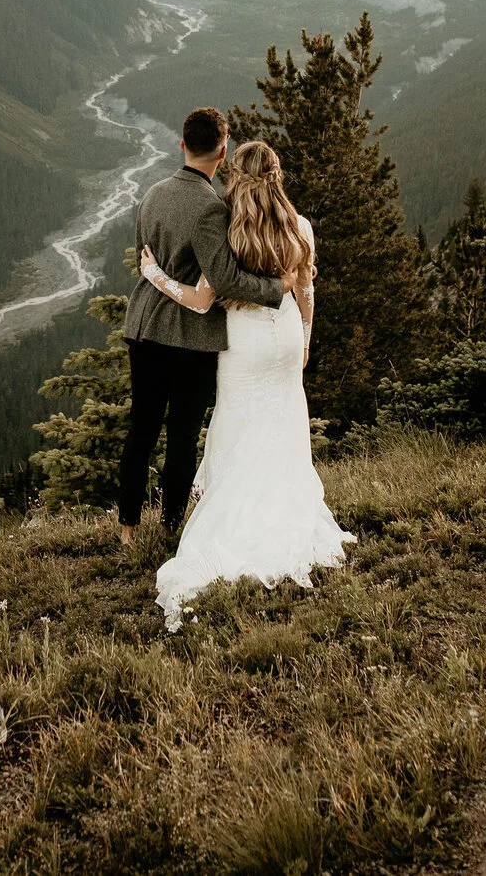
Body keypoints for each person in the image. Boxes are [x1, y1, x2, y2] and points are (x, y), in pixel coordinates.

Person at [136, 139, 353, 630]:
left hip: (244, 344)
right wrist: (303, 342)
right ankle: (288, 514)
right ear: (277, 176)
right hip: (282, 339)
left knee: (237, 427)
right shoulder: (301, 229)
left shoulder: (230, 230)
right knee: (282, 425)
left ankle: (237, 522)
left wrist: (154, 276)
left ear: (237, 177)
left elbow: (198, 302)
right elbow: (306, 293)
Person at [117, 108, 291, 550]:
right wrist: (278, 286)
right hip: (187, 337)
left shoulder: (152, 193)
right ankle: (171, 526)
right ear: (223, 150)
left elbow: (144, 258)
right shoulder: (212, 209)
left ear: (182, 144)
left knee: (141, 429)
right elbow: (227, 280)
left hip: (142, 327)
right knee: (182, 434)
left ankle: (127, 528)